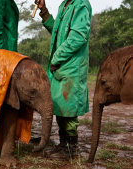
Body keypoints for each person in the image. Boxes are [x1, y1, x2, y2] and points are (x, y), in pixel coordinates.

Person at [35, 0, 92, 159]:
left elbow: (78, 37)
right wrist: (44, 11)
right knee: (59, 106)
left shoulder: (81, 5)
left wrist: (56, 58)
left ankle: (72, 150)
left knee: (69, 109)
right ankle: (62, 145)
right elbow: (57, 32)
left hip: (72, 66)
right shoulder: (64, 5)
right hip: (61, 66)